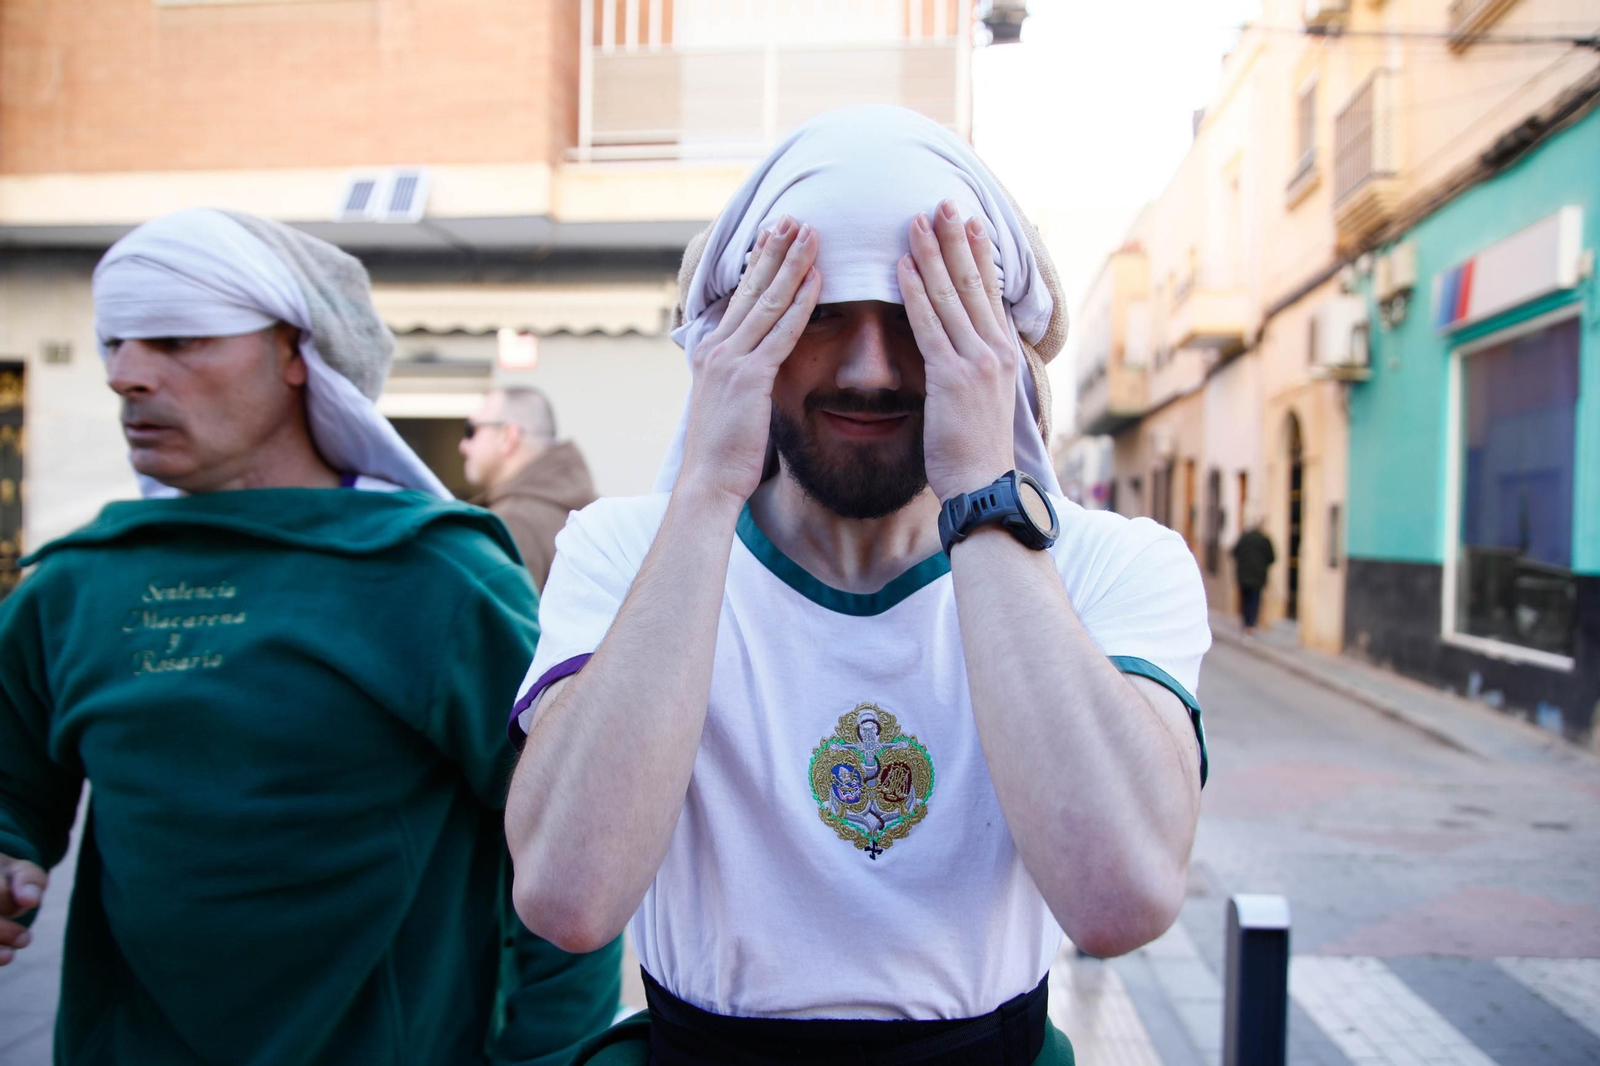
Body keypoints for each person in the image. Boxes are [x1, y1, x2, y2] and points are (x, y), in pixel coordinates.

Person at [504, 106, 1210, 1065]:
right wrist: (707, 491)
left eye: (924, 318)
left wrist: (982, 494)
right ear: (739, 332)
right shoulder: (627, 552)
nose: (871, 370)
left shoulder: (1111, 566)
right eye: (820, 313)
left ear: (997, 343)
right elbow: (567, 897)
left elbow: (1120, 899)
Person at [0, 209, 620, 1065]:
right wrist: (11, 850)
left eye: (179, 340)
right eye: (115, 344)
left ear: (296, 352)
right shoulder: (74, 585)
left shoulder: (436, 579)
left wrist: (552, 1056)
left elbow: (575, 838)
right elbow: (14, 782)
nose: (127, 376)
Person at [461, 387, 598, 592]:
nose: (463, 445)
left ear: (508, 436)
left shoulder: (512, 522)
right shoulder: (592, 512)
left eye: (471, 430)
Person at [1232, 519, 1276, 635]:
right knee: (1254, 601)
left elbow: (1235, 552)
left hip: (1244, 575)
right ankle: (1251, 625)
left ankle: (1245, 623)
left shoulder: (1244, 538)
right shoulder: (1264, 540)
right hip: (1258, 576)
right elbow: (1272, 558)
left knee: (1245, 599)